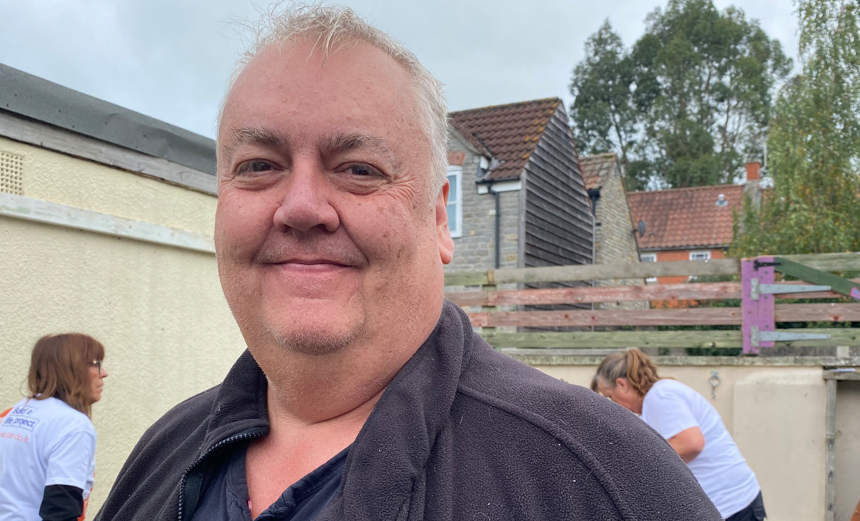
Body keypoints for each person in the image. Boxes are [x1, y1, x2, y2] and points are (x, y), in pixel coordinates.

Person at [96, 5, 720, 520]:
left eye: (359, 170)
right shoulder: (160, 458)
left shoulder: (601, 483)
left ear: (440, 217)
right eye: (259, 165)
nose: (303, 206)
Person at [592, 349, 765, 521]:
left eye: (609, 396)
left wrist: (635, 465)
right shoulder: (655, 401)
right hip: (728, 504)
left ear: (622, 384)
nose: (613, 404)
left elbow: (691, 443)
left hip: (732, 506)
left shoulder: (661, 396)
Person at [0, 333, 108, 521]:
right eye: (96, 363)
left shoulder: (10, 414)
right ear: (73, 368)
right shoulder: (73, 424)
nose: (104, 373)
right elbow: (60, 509)